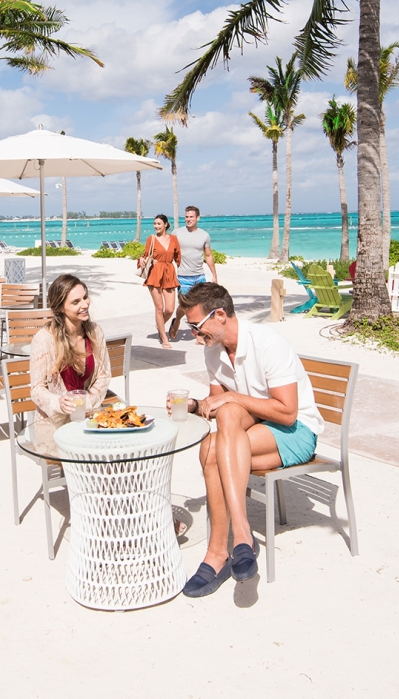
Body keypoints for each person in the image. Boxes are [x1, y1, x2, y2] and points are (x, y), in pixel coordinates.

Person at [175, 282, 323, 597]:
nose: (193, 334)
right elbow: (216, 406)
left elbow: (287, 413)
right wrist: (193, 406)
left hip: (295, 432)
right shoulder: (214, 353)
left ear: (219, 315)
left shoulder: (268, 344)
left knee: (213, 448)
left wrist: (234, 400)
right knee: (219, 429)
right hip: (253, 428)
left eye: (196, 326)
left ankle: (223, 548)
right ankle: (238, 540)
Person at [30, 274, 111, 455]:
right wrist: (58, 402)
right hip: (54, 425)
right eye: (75, 302)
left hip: (89, 417)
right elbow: (36, 389)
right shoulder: (44, 339)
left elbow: (104, 375)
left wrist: (88, 401)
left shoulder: (95, 332)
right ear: (60, 308)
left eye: (85, 297)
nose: (85, 304)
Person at [169, 206, 218, 342]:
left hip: (199, 275)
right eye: (186, 216)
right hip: (183, 276)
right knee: (185, 307)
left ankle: (199, 334)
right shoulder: (176, 233)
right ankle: (177, 320)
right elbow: (168, 250)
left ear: (198, 218)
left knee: (201, 306)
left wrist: (214, 275)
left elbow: (208, 256)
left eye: (191, 217)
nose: (188, 219)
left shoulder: (204, 235)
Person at [137, 214, 181, 349]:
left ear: (166, 225)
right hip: (155, 274)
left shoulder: (173, 239)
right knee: (159, 308)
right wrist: (142, 259)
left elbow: (178, 257)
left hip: (169, 274)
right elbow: (144, 256)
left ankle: (159, 324)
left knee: (169, 309)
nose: (156, 226)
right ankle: (164, 338)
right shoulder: (151, 239)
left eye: (159, 224)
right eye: (155, 224)